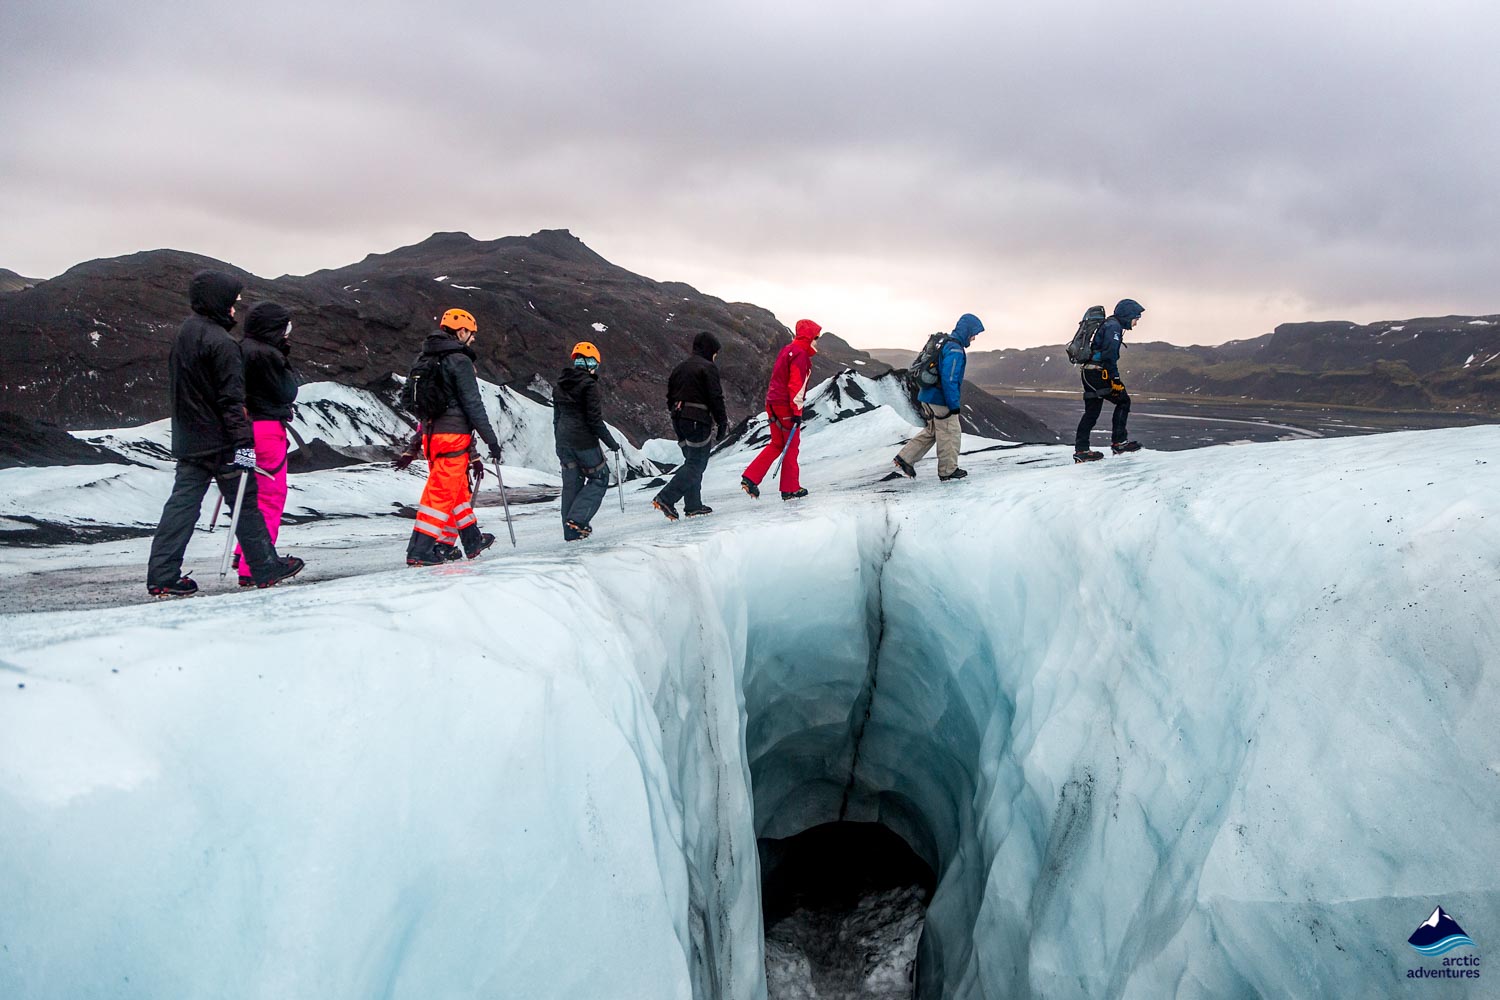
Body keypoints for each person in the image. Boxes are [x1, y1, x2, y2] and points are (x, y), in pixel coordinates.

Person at [145, 271, 304, 596]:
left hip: (190, 439)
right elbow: (232, 401)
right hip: (221, 442)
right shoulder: (222, 343)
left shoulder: (185, 335)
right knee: (246, 504)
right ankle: (263, 567)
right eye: (232, 302)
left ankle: (162, 575)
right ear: (219, 302)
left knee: (183, 504)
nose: (235, 308)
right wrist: (243, 444)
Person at [395, 308, 502, 565]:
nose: (473, 339)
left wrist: (416, 444)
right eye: (472, 333)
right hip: (453, 437)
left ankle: (472, 539)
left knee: (455, 491)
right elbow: (473, 404)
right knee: (440, 496)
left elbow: (416, 405)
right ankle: (420, 551)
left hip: (433, 437)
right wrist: (491, 440)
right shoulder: (459, 360)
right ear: (461, 331)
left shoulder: (425, 358)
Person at [233, 302, 298, 586]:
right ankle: (257, 564)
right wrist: (282, 358)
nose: (288, 333)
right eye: (285, 327)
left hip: (241, 432)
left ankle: (244, 553)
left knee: (248, 494)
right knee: (270, 496)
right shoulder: (267, 354)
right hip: (267, 431)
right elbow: (287, 391)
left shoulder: (238, 349)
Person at [892, 313, 984, 482]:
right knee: (950, 432)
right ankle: (948, 471)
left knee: (933, 430)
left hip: (926, 395)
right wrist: (953, 404)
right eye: (974, 333)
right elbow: (950, 379)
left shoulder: (944, 343)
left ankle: (905, 458)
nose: (974, 338)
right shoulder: (955, 350)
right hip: (939, 399)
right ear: (967, 331)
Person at [741, 319, 821, 501]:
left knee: (777, 443)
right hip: (785, 405)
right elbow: (796, 385)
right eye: (816, 337)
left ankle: (751, 477)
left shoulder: (787, 350)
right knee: (791, 447)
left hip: (772, 403)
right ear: (809, 336)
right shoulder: (800, 355)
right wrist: (797, 411)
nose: (817, 341)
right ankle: (790, 488)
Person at [652, 332, 728, 521]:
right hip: (697, 419)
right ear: (710, 350)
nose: (715, 356)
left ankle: (693, 505)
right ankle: (666, 498)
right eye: (715, 352)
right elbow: (715, 397)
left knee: (691, 462)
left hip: (679, 420)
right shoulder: (707, 368)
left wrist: (678, 412)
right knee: (697, 463)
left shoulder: (680, 368)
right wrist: (722, 422)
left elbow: (670, 396)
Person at [553, 341, 621, 540]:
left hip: (563, 441)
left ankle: (570, 531)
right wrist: (611, 443)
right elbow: (594, 420)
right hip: (583, 441)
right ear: (591, 363)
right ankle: (577, 520)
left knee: (571, 483)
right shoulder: (590, 386)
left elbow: (556, 419)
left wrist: (559, 441)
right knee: (600, 477)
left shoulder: (559, 386)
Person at [1075, 298, 1145, 463]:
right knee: (1123, 401)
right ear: (1127, 316)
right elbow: (1109, 355)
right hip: (1098, 374)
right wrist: (1115, 379)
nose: (1135, 323)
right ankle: (1119, 442)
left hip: (1089, 373)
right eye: (1135, 319)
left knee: (1091, 413)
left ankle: (1082, 450)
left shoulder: (1110, 325)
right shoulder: (1113, 327)